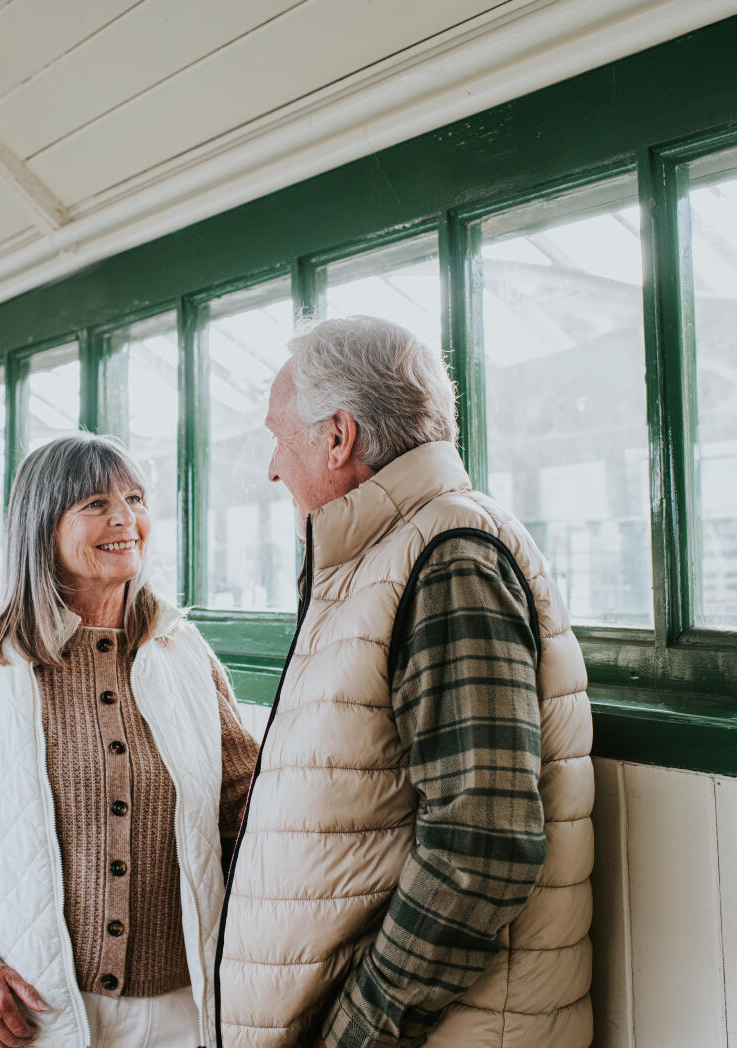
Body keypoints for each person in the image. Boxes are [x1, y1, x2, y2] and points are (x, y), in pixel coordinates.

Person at [215, 316, 594, 1048]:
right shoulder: (382, 557)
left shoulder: (450, 558)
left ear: (339, 436)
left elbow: (482, 842)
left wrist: (354, 1037)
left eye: (279, 435)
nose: (270, 467)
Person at [0, 434, 258, 1048]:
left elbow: (248, 810)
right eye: (94, 503)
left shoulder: (184, 653)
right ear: (41, 526)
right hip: (28, 1017)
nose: (124, 518)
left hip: (182, 1016)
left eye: (134, 498)